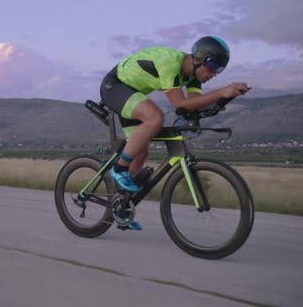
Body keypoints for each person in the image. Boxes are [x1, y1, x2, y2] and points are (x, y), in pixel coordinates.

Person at [99, 36, 249, 230]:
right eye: (212, 66)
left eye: (220, 69)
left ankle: (121, 204)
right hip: (115, 86)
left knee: (141, 151)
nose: (214, 73)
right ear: (197, 59)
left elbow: (194, 105)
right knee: (155, 118)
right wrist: (221, 92)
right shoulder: (170, 62)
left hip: (134, 95)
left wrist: (223, 100)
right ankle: (119, 169)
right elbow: (180, 104)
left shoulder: (194, 77)